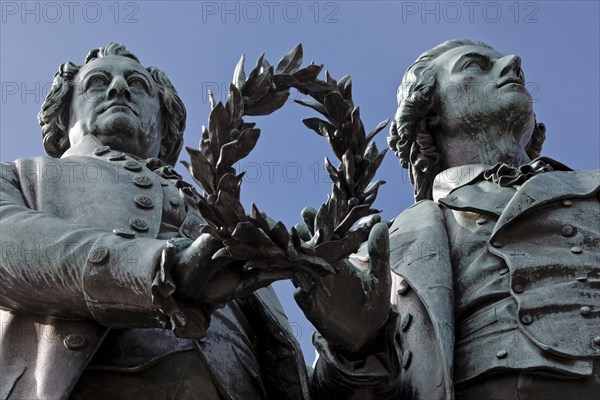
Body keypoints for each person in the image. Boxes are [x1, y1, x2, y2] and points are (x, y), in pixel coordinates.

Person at [0, 42, 390, 400]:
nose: (118, 88)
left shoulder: (230, 222)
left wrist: (353, 352)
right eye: (97, 82)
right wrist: (156, 270)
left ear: (165, 120)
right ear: (62, 113)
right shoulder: (22, 178)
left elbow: (290, 378)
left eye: (138, 84)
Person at [299, 38, 599, 400]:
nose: (514, 61)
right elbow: (333, 393)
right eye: (475, 65)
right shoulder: (386, 246)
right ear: (429, 109)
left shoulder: (592, 187)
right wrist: (351, 348)